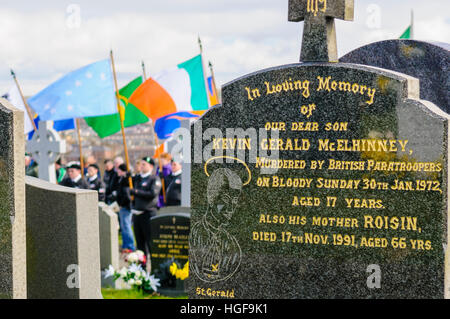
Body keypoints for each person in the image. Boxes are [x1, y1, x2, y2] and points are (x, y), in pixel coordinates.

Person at [131, 157, 162, 267]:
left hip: (148, 214)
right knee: (140, 244)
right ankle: (141, 269)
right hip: (137, 214)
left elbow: (152, 193)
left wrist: (136, 191)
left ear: (151, 166)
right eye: (141, 164)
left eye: (144, 164)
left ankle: (154, 268)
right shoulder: (137, 178)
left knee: (150, 243)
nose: (142, 166)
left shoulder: (154, 178)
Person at [116, 163, 136, 252]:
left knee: (127, 226)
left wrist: (128, 176)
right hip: (122, 205)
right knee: (123, 227)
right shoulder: (121, 179)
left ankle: (130, 245)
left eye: (119, 170)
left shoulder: (128, 179)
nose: (117, 171)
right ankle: (125, 245)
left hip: (126, 206)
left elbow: (127, 193)